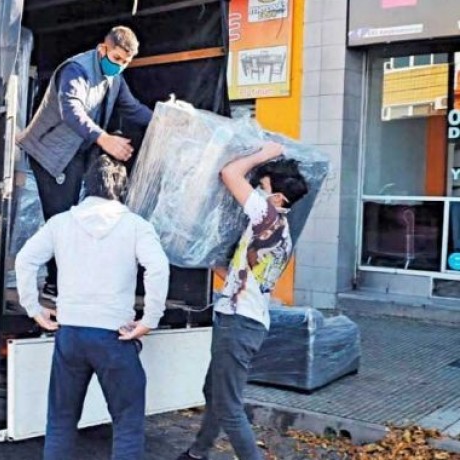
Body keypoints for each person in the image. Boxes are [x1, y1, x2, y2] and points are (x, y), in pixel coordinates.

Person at [15, 154, 169, 460]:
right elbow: (159, 268)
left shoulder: (60, 224)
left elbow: (25, 260)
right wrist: (149, 319)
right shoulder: (136, 226)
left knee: (60, 421)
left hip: (70, 334)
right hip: (115, 336)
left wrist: (34, 308)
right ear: (122, 189)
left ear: (87, 185)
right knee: (127, 423)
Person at [178, 142, 309, 460]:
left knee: (229, 408)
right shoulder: (279, 232)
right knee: (215, 393)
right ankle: (198, 452)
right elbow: (244, 277)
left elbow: (229, 173)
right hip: (242, 320)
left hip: (239, 324)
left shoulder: (268, 216)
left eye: (262, 186)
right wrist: (206, 259)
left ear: (277, 198)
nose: (255, 190)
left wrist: (264, 154)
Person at [16, 25, 153, 301]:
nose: (120, 67)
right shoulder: (76, 71)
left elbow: (133, 108)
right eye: (116, 59)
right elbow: (72, 112)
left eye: (126, 63)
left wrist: (166, 119)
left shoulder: (114, 79)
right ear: (103, 49)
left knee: (78, 218)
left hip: (76, 151)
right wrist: (104, 139)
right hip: (51, 152)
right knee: (61, 218)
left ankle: (72, 280)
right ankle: (56, 285)